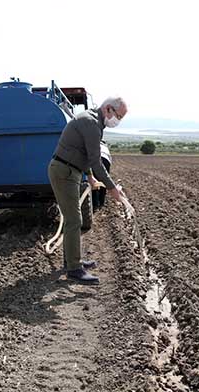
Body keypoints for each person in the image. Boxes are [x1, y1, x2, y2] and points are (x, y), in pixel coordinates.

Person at [48, 97, 127, 284]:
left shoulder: (93, 122)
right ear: (108, 109)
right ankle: (74, 269)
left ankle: (72, 261)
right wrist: (112, 187)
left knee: (72, 220)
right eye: (119, 116)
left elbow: (83, 153)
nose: (118, 121)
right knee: (75, 220)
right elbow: (95, 160)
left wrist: (90, 176)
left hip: (70, 171)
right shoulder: (91, 123)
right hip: (64, 172)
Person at [92, 140, 112, 211]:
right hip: (106, 160)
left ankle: (94, 204)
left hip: (95, 159)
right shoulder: (105, 147)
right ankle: (101, 202)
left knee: (94, 182)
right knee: (104, 182)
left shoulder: (94, 143)